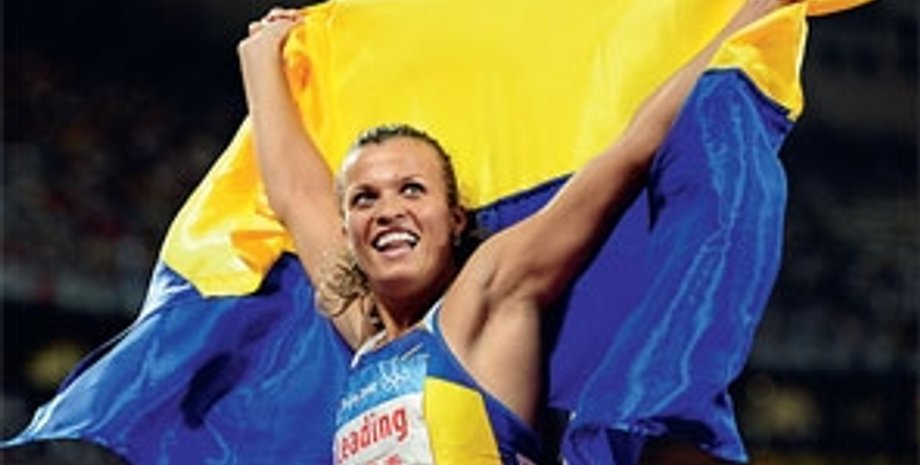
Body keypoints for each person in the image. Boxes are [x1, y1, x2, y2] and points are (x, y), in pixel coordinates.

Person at [237, 1, 786, 463]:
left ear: (455, 219)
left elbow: (631, 148)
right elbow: (296, 195)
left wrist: (756, 12)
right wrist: (259, 57)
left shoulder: (481, 303)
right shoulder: (366, 338)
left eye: (412, 190)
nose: (388, 210)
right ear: (349, 230)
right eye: (365, 197)